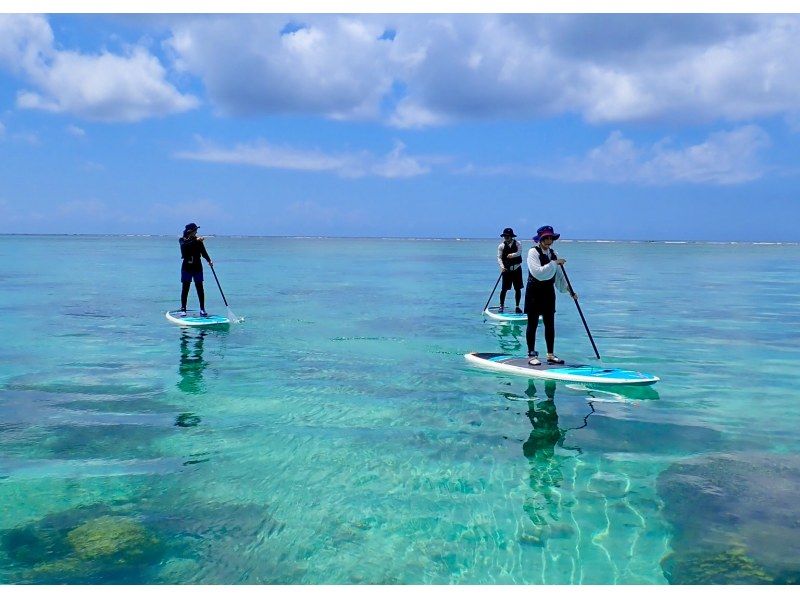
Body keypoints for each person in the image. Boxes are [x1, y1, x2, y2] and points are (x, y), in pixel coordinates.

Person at [524, 225, 576, 366]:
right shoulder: (532, 252)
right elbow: (538, 273)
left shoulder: (553, 253)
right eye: (546, 238)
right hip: (534, 291)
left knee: (550, 324)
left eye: (550, 238)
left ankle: (550, 355)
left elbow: (559, 275)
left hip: (548, 292)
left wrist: (570, 290)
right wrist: (554, 263)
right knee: (533, 323)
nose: (549, 240)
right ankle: (531, 354)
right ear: (540, 239)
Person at [178, 223, 212, 317]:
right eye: (195, 230)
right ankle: (183, 309)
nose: (197, 232)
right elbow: (184, 247)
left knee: (200, 288)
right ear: (190, 231)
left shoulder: (198, 241)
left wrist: (209, 260)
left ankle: (202, 309)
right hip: (186, 267)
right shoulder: (182, 240)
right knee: (185, 288)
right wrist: (196, 240)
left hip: (197, 267)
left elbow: (203, 252)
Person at [497, 227, 524, 313]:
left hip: (517, 269)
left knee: (518, 289)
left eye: (508, 236)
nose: (506, 237)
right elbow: (499, 257)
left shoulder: (518, 244)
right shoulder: (501, 246)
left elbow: (519, 252)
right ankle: (501, 305)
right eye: (505, 236)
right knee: (504, 289)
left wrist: (512, 255)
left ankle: (517, 306)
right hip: (506, 270)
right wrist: (502, 267)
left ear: (511, 236)